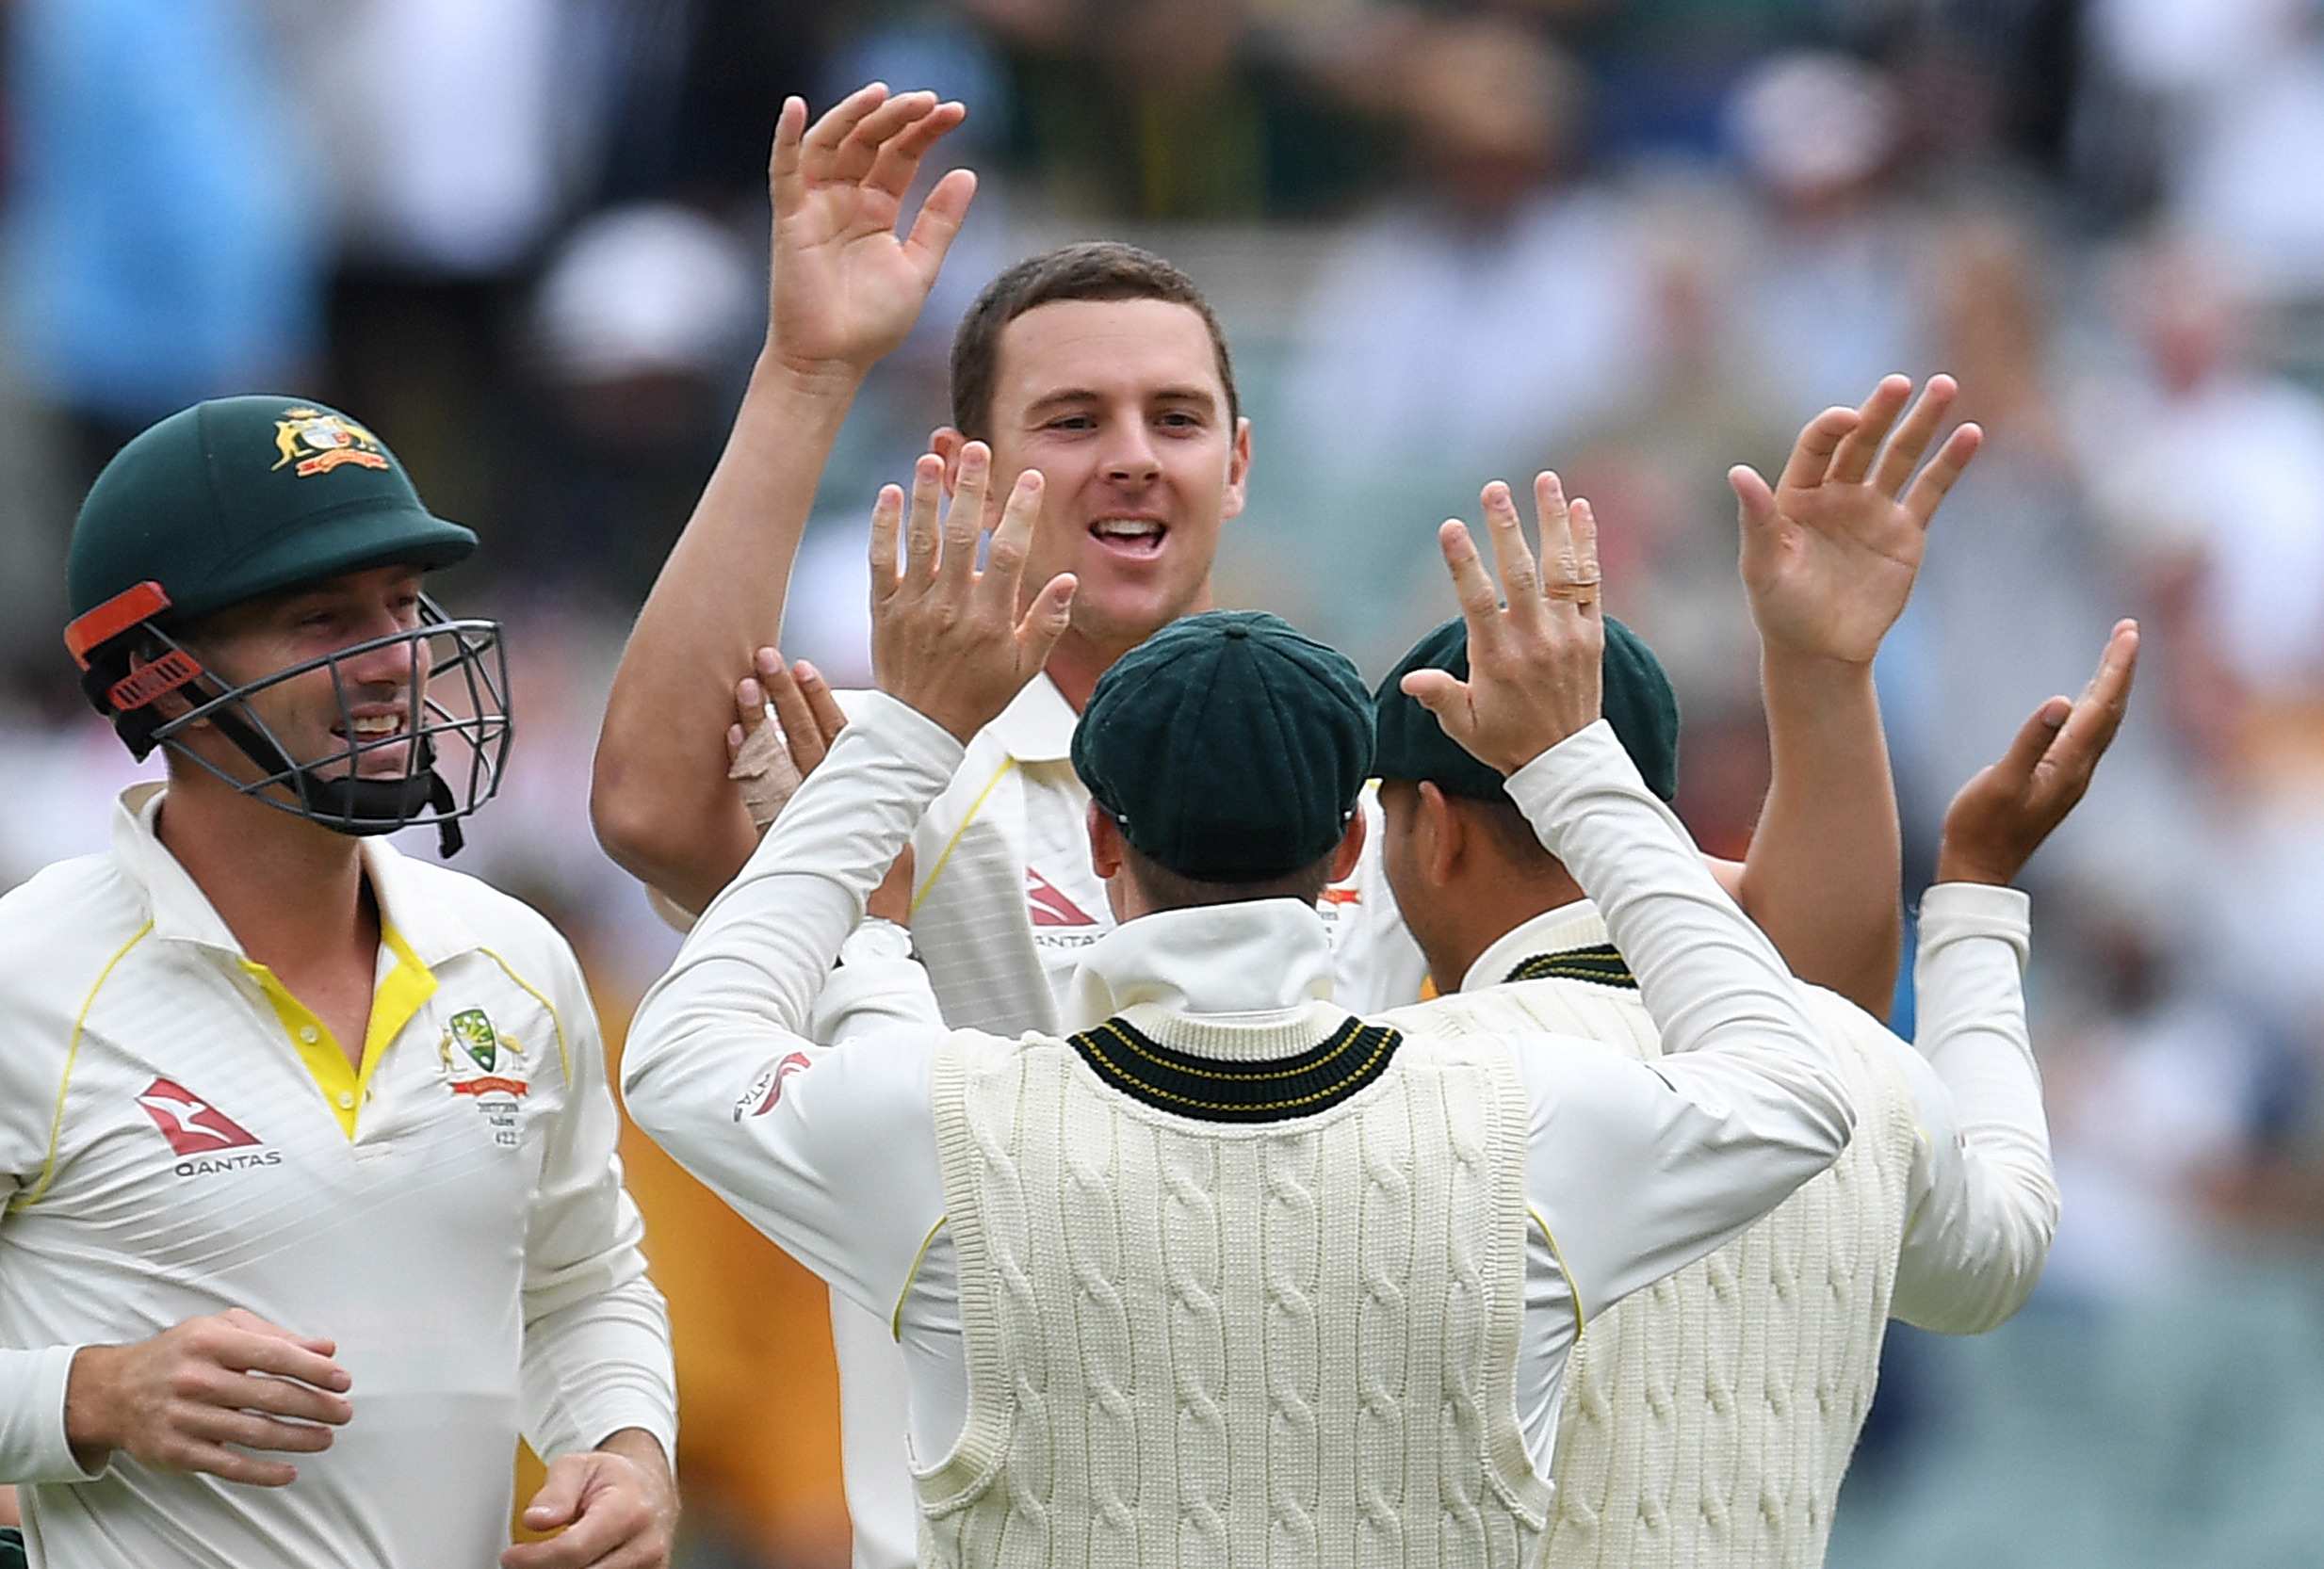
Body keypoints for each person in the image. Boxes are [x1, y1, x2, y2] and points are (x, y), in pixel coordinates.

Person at [588, 84, 1978, 1566]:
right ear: (974, 469)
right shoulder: (889, 768)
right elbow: (655, 801)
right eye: (1073, 419)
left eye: (1173, 418)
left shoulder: (1369, 793)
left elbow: (1806, 991)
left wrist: (1820, 678)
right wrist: (808, 366)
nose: (1131, 454)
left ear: (1239, 464)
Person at [0, 396, 677, 1569]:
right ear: (159, 676)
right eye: (322, 620)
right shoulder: (27, 978)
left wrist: (629, 1452)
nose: (399, 662)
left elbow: (579, 1279)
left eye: (405, 606)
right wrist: (89, 1394)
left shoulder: (515, 960)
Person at [1366, 546, 2138, 1566]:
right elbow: (1999, 1257)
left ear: (1430, 833)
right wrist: (1978, 893)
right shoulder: (1859, 1063)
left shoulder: (1388, 1085)